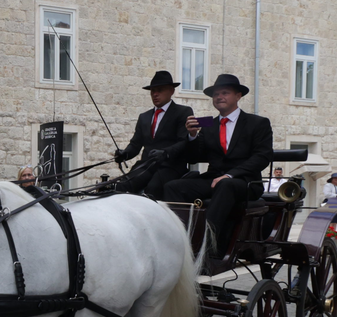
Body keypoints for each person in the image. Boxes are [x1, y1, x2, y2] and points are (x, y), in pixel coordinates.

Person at [161, 74, 273, 258]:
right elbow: (196, 156)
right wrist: (192, 136)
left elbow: (262, 156)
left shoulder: (257, 123)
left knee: (225, 184)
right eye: (215, 94)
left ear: (238, 96)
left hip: (244, 182)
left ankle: (206, 244)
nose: (219, 97)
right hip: (214, 179)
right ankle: (177, 239)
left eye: (225, 93)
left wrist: (230, 175)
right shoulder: (208, 124)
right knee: (173, 187)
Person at [114, 70, 193, 198]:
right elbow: (136, 144)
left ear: (171, 91)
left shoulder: (182, 112)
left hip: (170, 166)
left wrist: (165, 153)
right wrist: (125, 154)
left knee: (153, 189)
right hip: (146, 165)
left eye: (160, 90)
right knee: (121, 186)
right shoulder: (144, 117)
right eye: (152, 91)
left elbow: (183, 142)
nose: (155, 94)